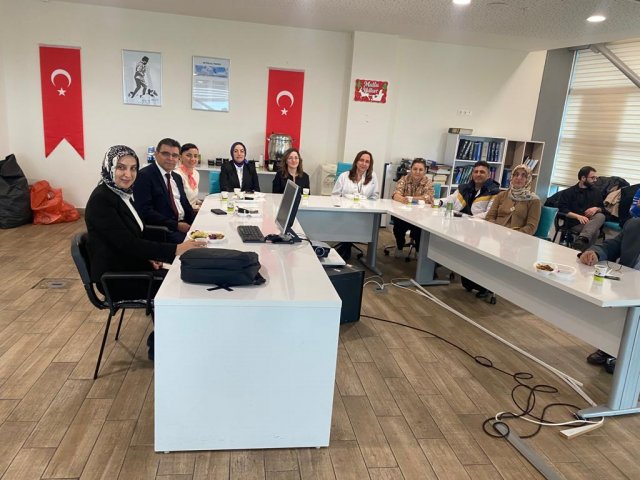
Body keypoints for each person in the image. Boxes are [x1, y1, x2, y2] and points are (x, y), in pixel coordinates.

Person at [85, 145, 200, 360]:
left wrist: (151, 254)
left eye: (132, 168)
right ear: (109, 167)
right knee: (177, 286)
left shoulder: (120, 194)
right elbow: (128, 244)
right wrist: (175, 249)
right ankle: (162, 347)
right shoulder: (102, 200)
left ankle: (168, 339)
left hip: (129, 265)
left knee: (178, 278)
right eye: (121, 167)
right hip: (116, 277)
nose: (127, 174)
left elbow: (135, 233)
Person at [579, 217, 640, 374]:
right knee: (615, 306)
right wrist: (595, 253)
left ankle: (629, 355)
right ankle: (611, 348)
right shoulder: (634, 224)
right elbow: (612, 246)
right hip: (627, 287)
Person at [442, 161, 500, 298]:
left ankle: (483, 286)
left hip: (481, 230)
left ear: (489, 175)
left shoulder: (494, 191)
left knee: (474, 259)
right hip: (463, 227)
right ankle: (467, 280)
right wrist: (439, 202)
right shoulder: (465, 187)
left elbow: (489, 213)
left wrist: (468, 218)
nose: (478, 174)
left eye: (482, 172)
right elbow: (451, 199)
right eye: (476, 171)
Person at [133, 138, 196, 243]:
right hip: (164, 231)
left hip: (183, 225)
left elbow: (185, 205)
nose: (170, 158)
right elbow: (145, 211)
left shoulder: (176, 177)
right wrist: (176, 225)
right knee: (200, 248)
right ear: (156, 154)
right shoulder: (144, 176)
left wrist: (197, 223)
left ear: (179, 158)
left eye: (174, 155)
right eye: (165, 154)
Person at [331, 150, 380, 260]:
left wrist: (366, 203)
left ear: (370, 164)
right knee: (349, 220)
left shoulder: (373, 177)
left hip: (363, 213)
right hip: (344, 212)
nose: (364, 163)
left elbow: (375, 196)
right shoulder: (344, 176)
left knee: (357, 221)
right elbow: (335, 195)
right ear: (356, 161)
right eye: (361, 160)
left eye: (367, 161)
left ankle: (345, 246)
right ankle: (346, 246)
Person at [390, 158, 435, 257]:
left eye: (420, 169)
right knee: (398, 228)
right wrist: (403, 199)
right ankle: (400, 246)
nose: (417, 172)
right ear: (410, 169)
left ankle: (419, 251)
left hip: (420, 216)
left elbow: (428, 198)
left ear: (425, 171)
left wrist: (410, 199)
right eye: (415, 169)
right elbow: (395, 194)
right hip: (403, 214)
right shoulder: (404, 179)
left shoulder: (428, 182)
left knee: (420, 230)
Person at [557, 166, 605, 251]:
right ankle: (583, 252)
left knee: (601, 216)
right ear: (583, 178)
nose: (595, 180)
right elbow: (562, 209)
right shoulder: (569, 192)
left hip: (591, 221)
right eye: (592, 178)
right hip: (575, 223)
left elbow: (603, 209)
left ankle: (582, 239)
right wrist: (578, 216)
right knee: (595, 232)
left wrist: (596, 209)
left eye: (595, 178)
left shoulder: (596, 192)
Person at [485, 164, 541, 234]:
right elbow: (489, 217)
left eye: (523, 175)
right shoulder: (501, 195)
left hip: (518, 236)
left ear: (528, 179)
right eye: (516, 174)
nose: (519, 178)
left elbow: (531, 227)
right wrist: (496, 230)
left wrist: (514, 235)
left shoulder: (534, 200)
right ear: (512, 177)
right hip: (495, 233)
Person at [175, 143, 201, 209]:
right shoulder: (176, 175)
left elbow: (191, 197)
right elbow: (176, 202)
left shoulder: (196, 173)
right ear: (180, 157)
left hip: (194, 209)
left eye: (195, 156)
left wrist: (200, 203)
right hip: (183, 212)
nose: (193, 159)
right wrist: (195, 208)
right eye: (188, 155)